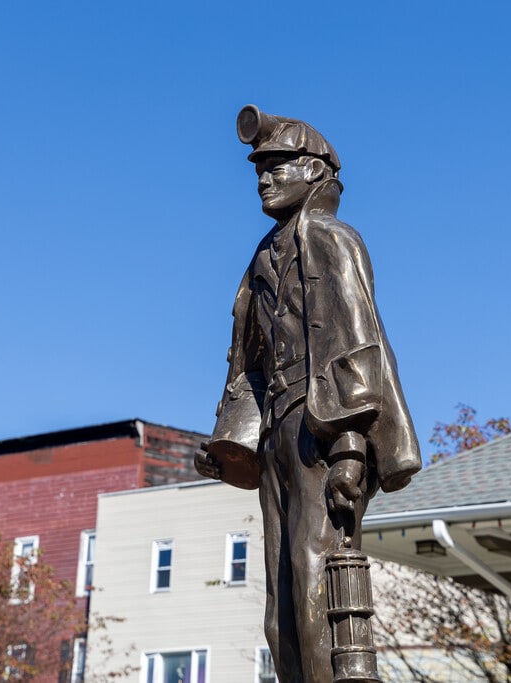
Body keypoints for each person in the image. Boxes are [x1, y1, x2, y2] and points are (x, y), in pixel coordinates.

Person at [196, 106, 422, 683]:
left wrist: (350, 447)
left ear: (316, 172)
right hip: (276, 430)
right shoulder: (262, 259)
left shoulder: (332, 241)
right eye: (258, 170)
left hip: (321, 428)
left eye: (277, 166)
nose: (263, 179)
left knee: (314, 575)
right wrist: (229, 443)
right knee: (281, 603)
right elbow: (248, 361)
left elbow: (358, 345)